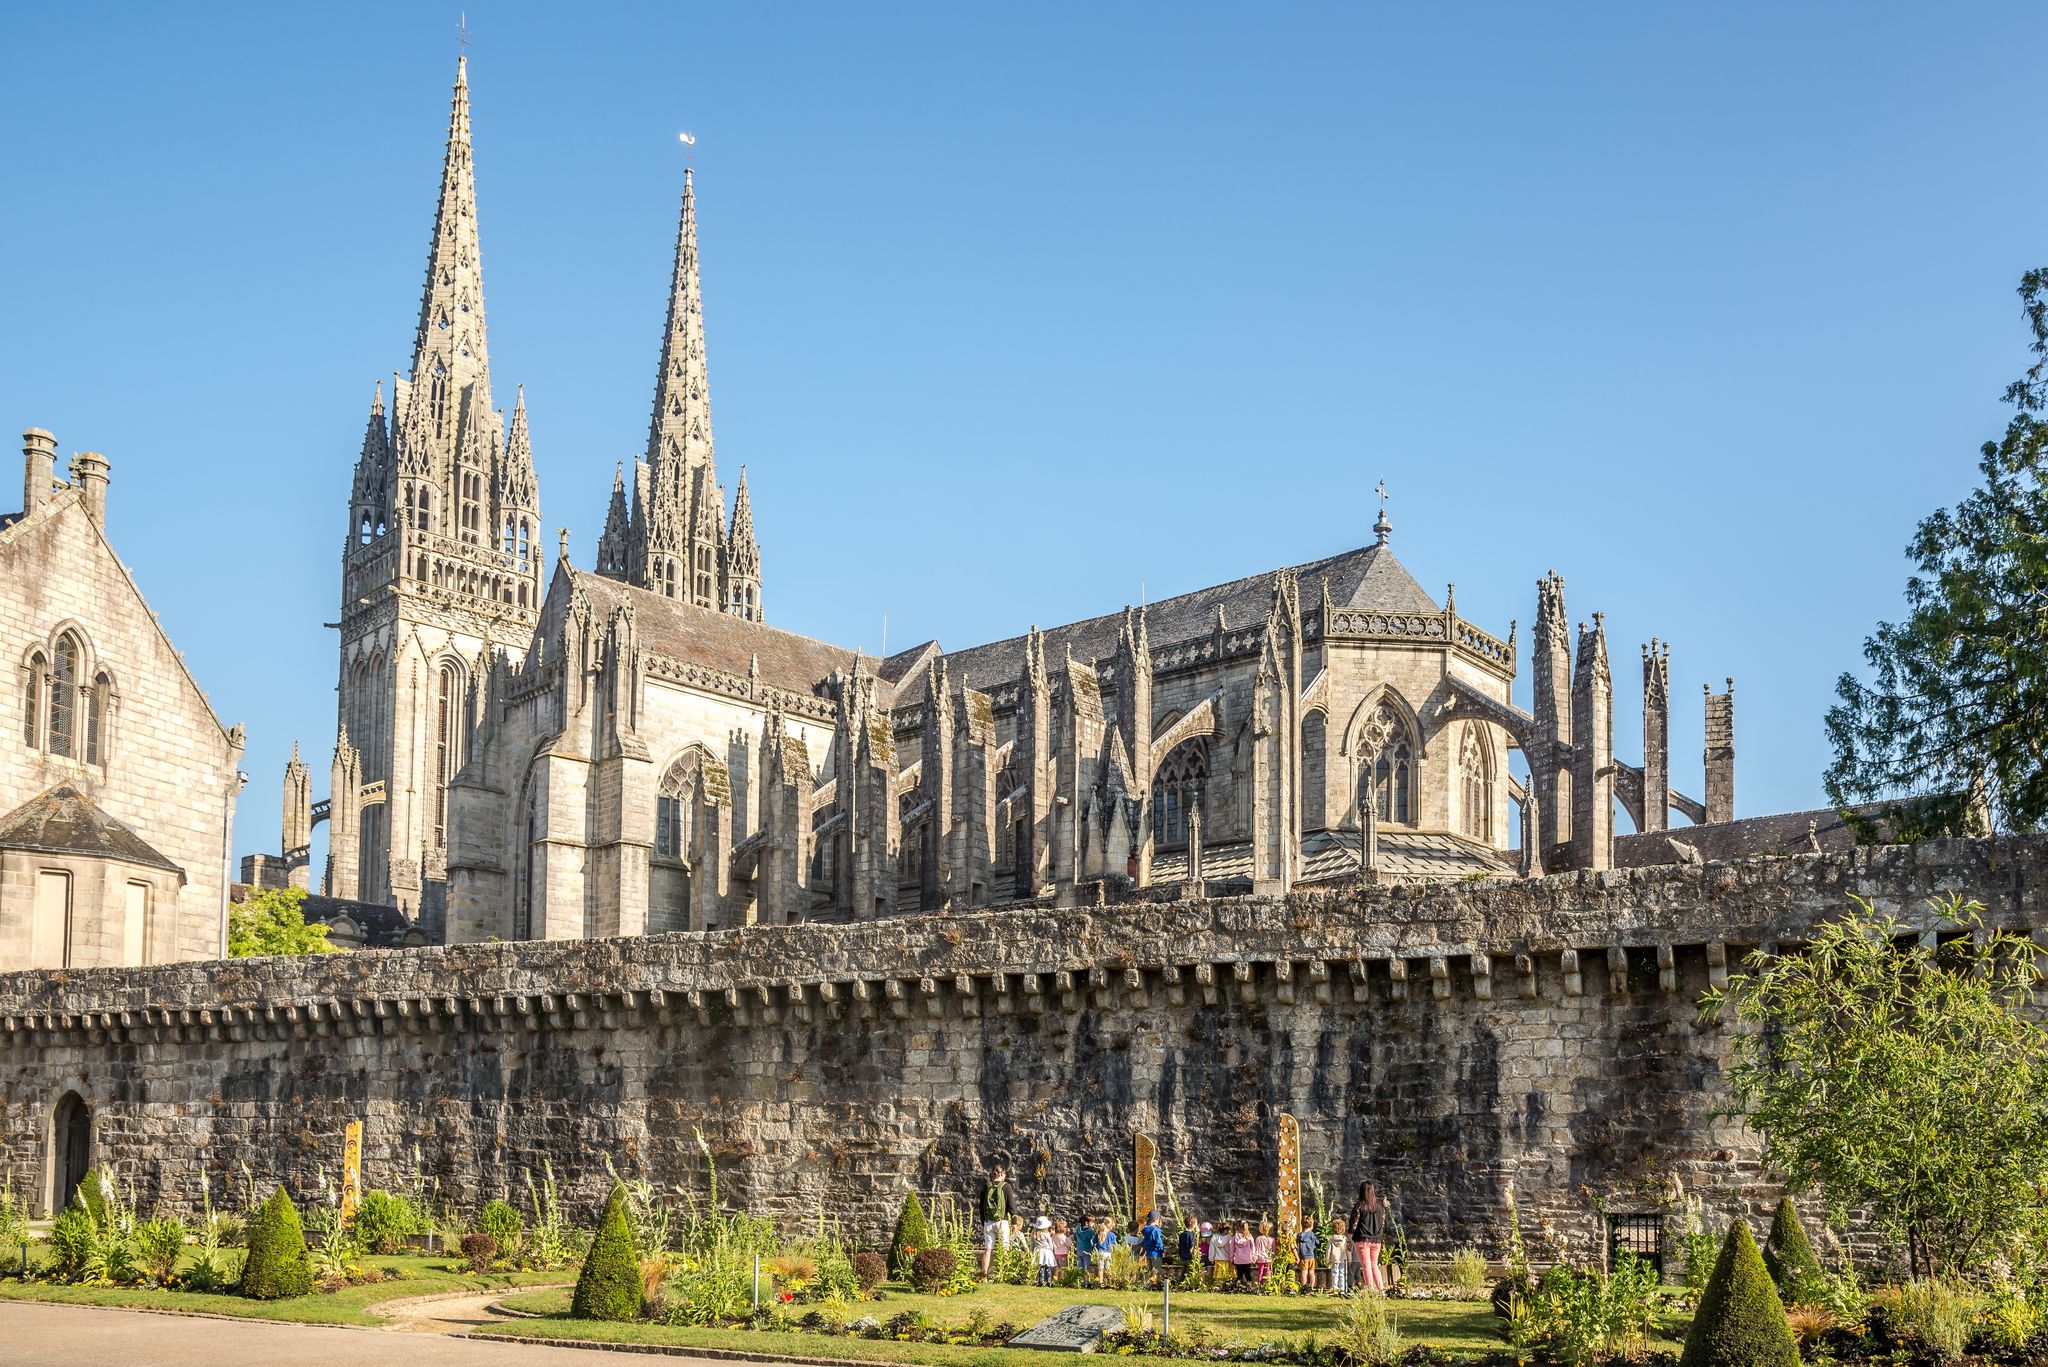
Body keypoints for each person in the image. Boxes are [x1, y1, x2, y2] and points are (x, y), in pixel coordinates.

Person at [1349, 1183, 1388, 1292]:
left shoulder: (1360, 1205)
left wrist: (1349, 1237)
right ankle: (1381, 1288)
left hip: (1362, 1239)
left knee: (1366, 1266)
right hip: (1376, 1240)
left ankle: (1370, 1289)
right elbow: (1384, 1223)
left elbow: (1354, 1224)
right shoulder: (1380, 1206)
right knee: (1374, 1265)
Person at [976, 1162, 1012, 1279]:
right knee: (1005, 1249)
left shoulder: (986, 1186)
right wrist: (1015, 1222)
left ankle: (984, 1275)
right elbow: (1011, 1206)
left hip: (988, 1222)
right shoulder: (1006, 1186)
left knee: (988, 1250)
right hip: (1002, 1222)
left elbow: (981, 1206)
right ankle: (1004, 1275)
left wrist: (983, 1222)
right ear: (1003, 1174)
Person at [1140, 1210, 1166, 1282]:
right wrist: (1162, 1251)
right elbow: (1158, 1242)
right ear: (1156, 1219)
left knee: (1149, 1270)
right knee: (1155, 1271)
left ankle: (1147, 1284)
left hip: (1148, 1253)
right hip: (1156, 1253)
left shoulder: (1145, 1229)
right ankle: (1154, 1284)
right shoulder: (1155, 1230)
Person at [1327, 1218, 1351, 1294]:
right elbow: (1348, 1250)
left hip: (1334, 1259)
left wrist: (1327, 1260)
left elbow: (1328, 1250)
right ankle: (1342, 1288)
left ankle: (1335, 1288)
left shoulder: (1331, 1239)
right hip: (1343, 1259)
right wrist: (1349, 1259)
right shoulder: (1345, 1239)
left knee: (1334, 1274)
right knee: (1343, 1274)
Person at [1033, 1216, 1057, 1287]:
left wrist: (1032, 1250)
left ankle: (1040, 1280)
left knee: (1041, 1267)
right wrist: (1052, 1249)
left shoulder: (1034, 1234)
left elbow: (1032, 1244)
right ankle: (1049, 1281)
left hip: (1039, 1251)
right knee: (1048, 1267)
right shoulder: (1047, 1234)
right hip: (1047, 1251)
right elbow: (1050, 1244)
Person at [1295, 1221, 1319, 1290]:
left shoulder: (1300, 1235)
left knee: (1304, 1273)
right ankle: (1311, 1287)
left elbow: (1297, 1245)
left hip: (1303, 1257)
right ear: (1311, 1226)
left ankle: (1304, 1287)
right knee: (1312, 1272)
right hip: (1311, 1256)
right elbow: (1318, 1244)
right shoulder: (1313, 1235)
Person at [1074, 1214, 1098, 1279]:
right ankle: (1087, 1281)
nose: (1093, 1223)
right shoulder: (1090, 1231)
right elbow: (1092, 1241)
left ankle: (1080, 1279)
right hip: (1087, 1250)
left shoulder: (1078, 1229)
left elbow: (1075, 1238)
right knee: (1087, 1266)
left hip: (1079, 1249)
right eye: (1092, 1222)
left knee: (1080, 1266)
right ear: (1087, 1222)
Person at [1255, 1217, 1275, 1283]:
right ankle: (1268, 1283)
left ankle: (1259, 1283)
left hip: (1260, 1258)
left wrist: (1255, 1258)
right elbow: (1273, 1250)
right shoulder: (1272, 1239)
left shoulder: (1258, 1238)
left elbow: (1256, 1249)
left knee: (1260, 1271)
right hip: (1269, 1258)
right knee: (1268, 1271)